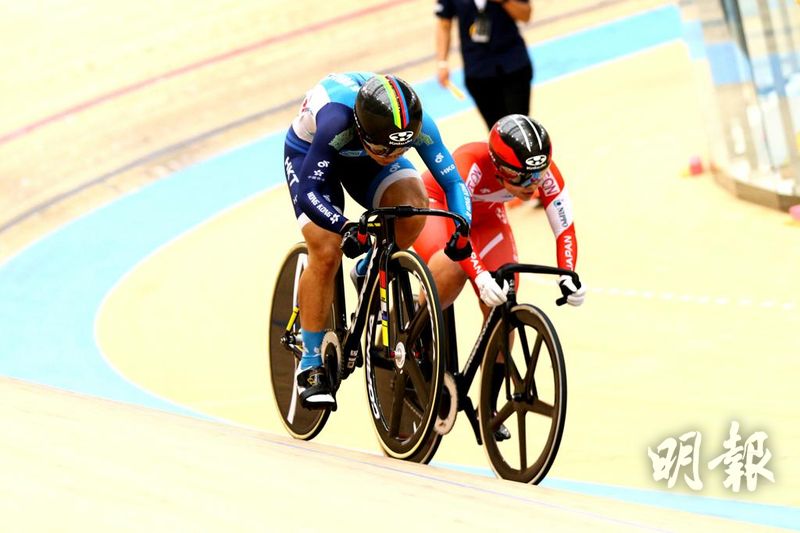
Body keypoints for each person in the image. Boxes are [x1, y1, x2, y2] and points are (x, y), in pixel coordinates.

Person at [282, 72, 489, 409]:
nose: (392, 154)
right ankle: (310, 362)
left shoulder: (413, 128)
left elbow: (453, 183)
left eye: (401, 147)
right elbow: (310, 191)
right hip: (311, 155)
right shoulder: (336, 120)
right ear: (363, 130)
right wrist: (345, 225)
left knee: (414, 207)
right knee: (327, 250)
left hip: (362, 157)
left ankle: (368, 266)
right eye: (385, 147)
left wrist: (463, 225)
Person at [414, 114, 584, 440]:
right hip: (442, 208)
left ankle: (487, 409)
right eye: (522, 180)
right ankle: (417, 351)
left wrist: (568, 274)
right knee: (450, 267)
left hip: (488, 219)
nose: (533, 186)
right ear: (499, 166)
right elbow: (458, 237)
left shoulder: (540, 172)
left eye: (538, 175)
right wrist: (478, 276)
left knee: (503, 303)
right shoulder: (470, 163)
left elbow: (565, 228)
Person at [435, 0, 533, 130]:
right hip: (477, 69)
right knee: (496, 129)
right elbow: (444, 25)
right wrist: (442, 63)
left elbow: (526, 15)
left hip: (513, 63)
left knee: (520, 126)